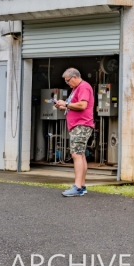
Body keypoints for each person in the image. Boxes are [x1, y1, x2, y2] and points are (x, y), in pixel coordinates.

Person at [55, 68, 94, 197]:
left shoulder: (83, 87)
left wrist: (66, 104)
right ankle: (81, 186)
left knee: (76, 154)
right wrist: (63, 106)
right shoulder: (76, 89)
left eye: (68, 80)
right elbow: (74, 106)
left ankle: (77, 187)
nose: (67, 83)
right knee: (80, 155)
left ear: (75, 77)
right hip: (78, 125)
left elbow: (82, 105)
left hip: (81, 125)